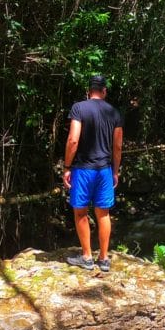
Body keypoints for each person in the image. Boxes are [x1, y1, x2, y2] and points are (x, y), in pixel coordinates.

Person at [63, 74, 123, 272]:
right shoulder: (114, 112)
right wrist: (115, 170)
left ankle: (87, 257)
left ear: (89, 91)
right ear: (104, 91)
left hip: (83, 170)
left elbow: (73, 140)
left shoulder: (79, 108)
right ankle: (104, 259)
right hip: (104, 170)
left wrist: (67, 167)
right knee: (103, 213)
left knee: (81, 212)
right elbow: (118, 146)